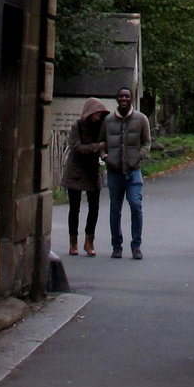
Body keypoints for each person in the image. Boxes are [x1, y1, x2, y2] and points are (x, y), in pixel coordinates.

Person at [103, 85, 151, 259]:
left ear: (131, 99)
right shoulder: (108, 120)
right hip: (115, 171)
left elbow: (147, 143)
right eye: (121, 97)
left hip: (133, 172)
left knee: (136, 205)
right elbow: (102, 142)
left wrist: (138, 157)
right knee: (115, 210)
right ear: (117, 99)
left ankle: (136, 245)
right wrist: (105, 157)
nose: (124, 99)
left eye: (127, 97)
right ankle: (117, 246)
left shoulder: (141, 119)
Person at [61, 98, 108, 256]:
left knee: (94, 207)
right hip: (75, 170)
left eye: (100, 114)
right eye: (96, 113)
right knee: (74, 209)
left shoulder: (101, 127)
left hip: (92, 170)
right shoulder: (77, 126)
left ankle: (89, 241)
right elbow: (77, 147)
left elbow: (106, 141)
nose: (98, 116)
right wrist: (97, 147)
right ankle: (73, 241)